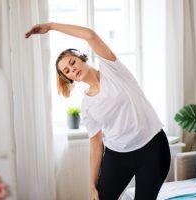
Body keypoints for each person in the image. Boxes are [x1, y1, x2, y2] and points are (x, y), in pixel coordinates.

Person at [25, 22, 171, 200]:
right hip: (117, 155)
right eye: (67, 71)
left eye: (73, 62)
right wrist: (91, 185)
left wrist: (51, 26)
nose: (73, 69)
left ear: (81, 58)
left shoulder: (112, 69)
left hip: (152, 147)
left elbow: (90, 35)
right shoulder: (87, 106)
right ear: (68, 78)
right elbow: (96, 145)